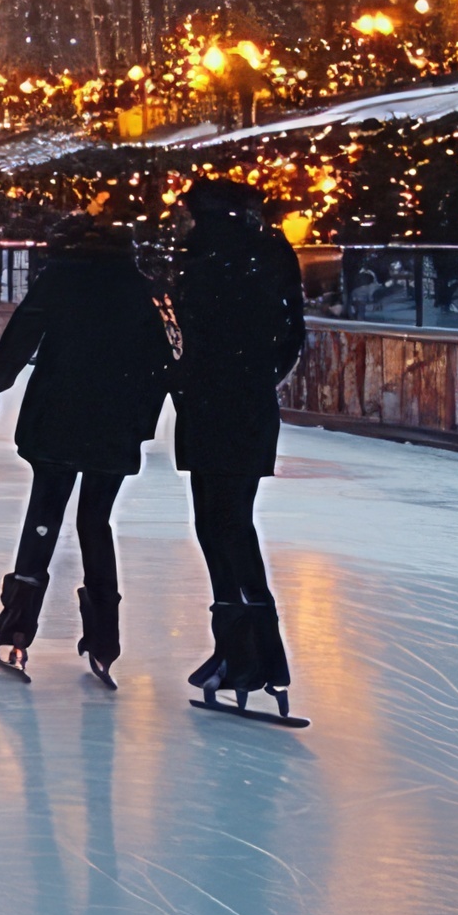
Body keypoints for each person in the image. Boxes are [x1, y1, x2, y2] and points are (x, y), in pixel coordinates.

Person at [0, 212, 172, 685]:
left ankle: (17, 626)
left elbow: (21, 336)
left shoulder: (59, 279)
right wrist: (143, 418)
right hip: (114, 422)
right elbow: (164, 358)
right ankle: (104, 636)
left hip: (58, 417)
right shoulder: (139, 286)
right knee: (94, 522)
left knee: (44, 514)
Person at [167, 179, 307, 719]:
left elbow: (192, 337)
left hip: (212, 405)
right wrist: (259, 379)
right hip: (246, 405)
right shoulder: (269, 253)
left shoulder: (206, 262)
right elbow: (291, 331)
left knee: (217, 525)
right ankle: (255, 653)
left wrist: (186, 380)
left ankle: (241, 653)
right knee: (234, 524)